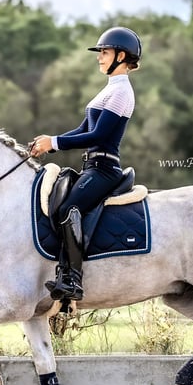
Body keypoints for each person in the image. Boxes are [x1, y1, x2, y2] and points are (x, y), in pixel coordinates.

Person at [29, 26, 142, 302]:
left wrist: (54, 142)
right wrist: (46, 145)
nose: (99, 57)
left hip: (104, 169)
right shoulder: (108, 91)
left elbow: (99, 136)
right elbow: (82, 131)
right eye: (100, 53)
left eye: (104, 52)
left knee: (70, 207)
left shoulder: (122, 91)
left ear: (121, 55)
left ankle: (72, 279)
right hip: (93, 166)